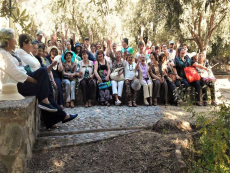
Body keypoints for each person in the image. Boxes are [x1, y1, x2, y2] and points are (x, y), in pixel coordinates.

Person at [0, 28, 78, 129]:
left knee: (45, 82)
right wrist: (36, 81)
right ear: (7, 40)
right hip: (17, 85)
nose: (15, 40)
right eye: (13, 38)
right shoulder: (2, 54)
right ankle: (57, 114)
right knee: (43, 74)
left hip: (23, 81)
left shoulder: (12, 53)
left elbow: (24, 67)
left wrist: (38, 79)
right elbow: (16, 74)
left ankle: (52, 118)